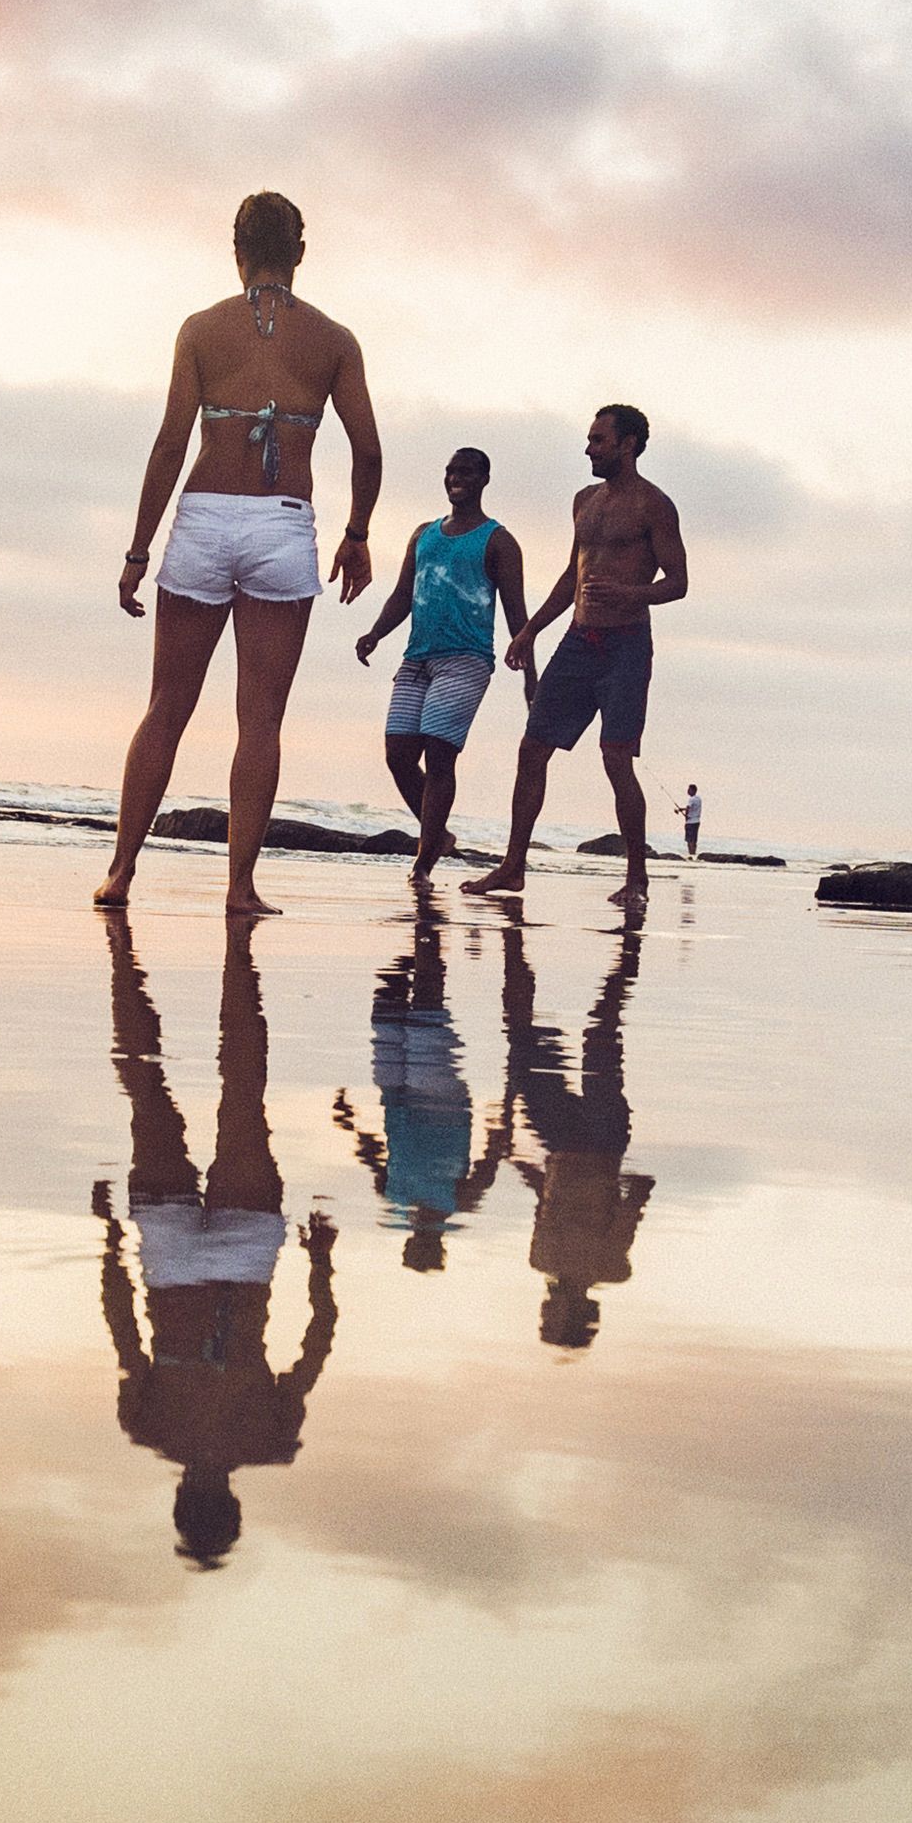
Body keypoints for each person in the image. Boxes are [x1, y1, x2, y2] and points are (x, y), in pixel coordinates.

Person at [102, 191, 382, 915]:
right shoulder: (334, 340)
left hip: (201, 518)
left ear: (236, 250)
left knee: (167, 706)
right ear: (301, 253)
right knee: (260, 721)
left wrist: (138, 550)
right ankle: (238, 887)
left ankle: (121, 873)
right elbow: (368, 450)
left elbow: (170, 444)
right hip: (282, 525)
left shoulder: (200, 330)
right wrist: (357, 534)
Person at [92, 912, 340, 1561]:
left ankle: (234, 952)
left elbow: (318, 1341)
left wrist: (323, 1263)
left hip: (244, 1259)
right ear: (180, 1500)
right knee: (147, 1089)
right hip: (173, 1260)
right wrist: (110, 1243)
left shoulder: (271, 1443)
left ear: (233, 1502)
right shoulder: (147, 1429)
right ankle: (136, 955)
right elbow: (120, 1326)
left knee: (244, 1092)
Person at [476, 401, 685, 893]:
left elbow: (678, 582)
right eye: (589, 439)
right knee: (532, 750)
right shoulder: (584, 500)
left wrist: (630, 594)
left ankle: (637, 877)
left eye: (598, 440)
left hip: (627, 646)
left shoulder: (655, 505)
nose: (588, 448)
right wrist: (529, 631)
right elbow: (573, 575)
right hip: (577, 641)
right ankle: (513, 867)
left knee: (616, 759)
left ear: (627, 444)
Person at [352, 444, 528, 877]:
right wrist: (375, 633)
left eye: (466, 472)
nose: (456, 479)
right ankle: (439, 835)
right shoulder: (423, 534)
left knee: (439, 756)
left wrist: (531, 675)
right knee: (397, 754)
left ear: (484, 479)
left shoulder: (499, 541)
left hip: (466, 659)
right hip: (417, 658)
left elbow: (517, 614)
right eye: (450, 471)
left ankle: (423, 862)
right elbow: (403, 595)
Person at [499, 899, 651, 1350]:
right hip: (588, 1140)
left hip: (577, 1143)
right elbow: (636, 1196)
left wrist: (524, 1167)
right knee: (587, 1038)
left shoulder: (544, 1258)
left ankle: (522, 948)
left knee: (557, 1043)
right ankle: (622, 954)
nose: (543, 1312)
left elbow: (552, 1205)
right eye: (549, 1321)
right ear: (572, 1317)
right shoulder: (606, 1267)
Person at [338, 928, 509, 1268]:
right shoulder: (457, 1202)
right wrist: (505, 1116)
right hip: (439, 1105)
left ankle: (421, 951)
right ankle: (428, 932)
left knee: (385, 1011)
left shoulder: (395, 1201)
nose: (418, 1235)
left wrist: (351, 1124)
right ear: (436, 1246)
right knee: (425, 1018)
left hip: (396, 1102)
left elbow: (375, 1157)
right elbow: (489, 1163)